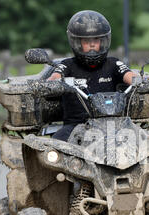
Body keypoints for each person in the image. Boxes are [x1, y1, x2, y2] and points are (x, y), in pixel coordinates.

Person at [47, 10, 140, 141]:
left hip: (113, 125)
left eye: (96, 40)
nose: (92, 44)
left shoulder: (113, 63)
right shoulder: (67, 64)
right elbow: (55, 77)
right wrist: (52, 83)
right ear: (77, 43)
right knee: (54, 147)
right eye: (86, 41)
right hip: (75, 126)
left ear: (103, 41)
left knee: (143, 140)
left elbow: (130, 76)